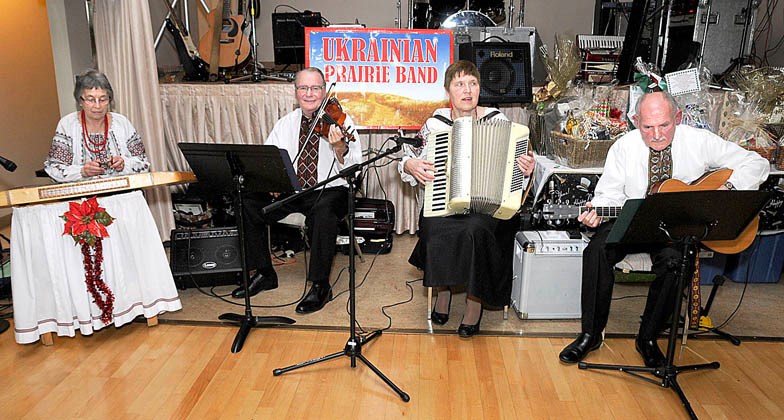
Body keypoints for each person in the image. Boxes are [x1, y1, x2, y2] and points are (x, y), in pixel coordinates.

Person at [558, 91, 770, 367]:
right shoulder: (623, 147)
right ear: (636, 122)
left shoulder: (700, 141)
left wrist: (727, 188)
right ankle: (590, 334)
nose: (656, 134)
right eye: (647, 127)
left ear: (678, 118)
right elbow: (609, 194)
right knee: (596, 251)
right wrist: (597, 210)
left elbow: (758, 163)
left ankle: (647, 338)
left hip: (676, 230)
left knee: (677, 260)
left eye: (664, 125)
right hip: (633, 222)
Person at [399, 60, 536, 338]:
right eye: (459, 84)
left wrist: (526, 168)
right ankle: (443, 290)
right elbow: (408, 158)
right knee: (434, 226)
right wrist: (410, 165)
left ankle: (475, 303)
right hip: (443, 202)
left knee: (476, 229)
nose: (467, 90)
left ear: (479, 89)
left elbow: (516, 169)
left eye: (472, 83)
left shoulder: (497, 120)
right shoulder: (434, 124)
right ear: (448, 90)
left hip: (486, 207)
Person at [236, 67, 363, 314]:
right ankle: (264, 272)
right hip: (294, 190)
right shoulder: (286, 123)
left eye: (315, 88)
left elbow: (354, 169)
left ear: (324, 91)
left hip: (331, 189)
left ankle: (320, 285)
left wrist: (339, 148)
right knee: (247, 201)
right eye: (303, 88)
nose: (309, 94)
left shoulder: (341, 122)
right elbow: (269, 159)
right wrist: (271, 181)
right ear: (295, 92)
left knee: (324, 213)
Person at [44, 69, 150, 181]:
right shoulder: (68, 125)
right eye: (91, 99)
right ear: (80, 101)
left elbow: (143, 163)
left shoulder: (121, 123)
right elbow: (54, 169)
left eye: (103, 99)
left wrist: (124, 164)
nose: (98, 106)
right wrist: (82, 171)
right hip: (83, 196)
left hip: (124, 195)